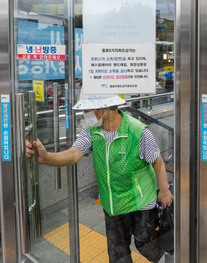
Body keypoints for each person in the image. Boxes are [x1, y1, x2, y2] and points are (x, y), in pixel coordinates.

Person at [26, 91, 173, 263]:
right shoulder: (91, 130)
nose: (86, 114)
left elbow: (157, 161)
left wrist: (164, 192)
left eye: (89, 110)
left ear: (105, 107)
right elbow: (73, 154)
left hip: (140, 202)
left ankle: (167, 249)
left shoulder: (137, 130)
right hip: (112, 204)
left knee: (148, 247)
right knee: (117, 254)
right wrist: (46, 157)